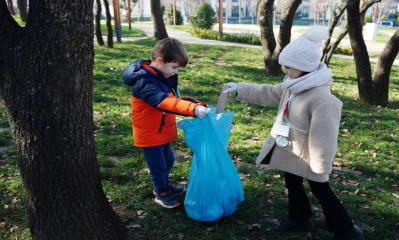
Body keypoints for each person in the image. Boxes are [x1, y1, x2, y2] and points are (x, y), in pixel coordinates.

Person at [223, 26, 363, 239]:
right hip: (289, 147)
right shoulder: (293, 84)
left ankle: (346, 230)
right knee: (292, 181)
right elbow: (269, 93)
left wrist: (320, 165)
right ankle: (300, 218)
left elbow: (325, 136)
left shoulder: (323, 99)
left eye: (288, 66)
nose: (284, 70)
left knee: (321, 190)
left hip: (309, 157)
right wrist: (240, 88)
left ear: (304, 66)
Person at [123, 38, 210, 209]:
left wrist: (197, 105)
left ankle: (164, 185)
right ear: (159, 61)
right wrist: (192, 110)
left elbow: (175, 99)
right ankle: (161, 193)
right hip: (150, 133)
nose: (175, 72)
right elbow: (164, 102)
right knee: (158, 165)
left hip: (160, 131)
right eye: (174, 67)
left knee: (168, 160)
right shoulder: (145, 83)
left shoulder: (160, 77)